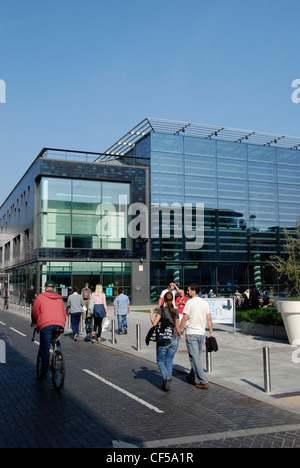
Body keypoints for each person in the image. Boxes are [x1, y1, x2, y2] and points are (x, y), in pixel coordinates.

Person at [180, 282, 214, 390]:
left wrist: (180, 329)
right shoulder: (204, 303)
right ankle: (191, 375)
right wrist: (211, 332)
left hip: (191, 333)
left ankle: (203, 380)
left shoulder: (189, 303)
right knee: (196, 357)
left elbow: (185, 317)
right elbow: (208, 318)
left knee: (194, 357)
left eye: (188, 290)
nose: (187, 291)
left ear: (194, 291)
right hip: (201, 333)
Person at [32, 280, 66, 380]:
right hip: (59, 324)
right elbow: (64, 313)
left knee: (45, 348)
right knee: (55, 339)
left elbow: (35, 312)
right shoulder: (59, 298)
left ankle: (44, 372)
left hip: (46, 325)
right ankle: (58, 353)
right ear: (54, 288)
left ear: (45, 288)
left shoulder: (41, 297)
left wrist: (34, 322)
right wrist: (62, 325)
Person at [150, 291, 181, 392]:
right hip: (174, 338)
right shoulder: (175, 311)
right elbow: (177, 326)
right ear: (172, 299)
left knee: (160, 360)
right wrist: (180, 334)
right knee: (169, 361)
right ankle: (168, 379)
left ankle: (166, 377)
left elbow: (154, 323)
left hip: (164, 339)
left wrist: (151, 314)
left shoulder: (161, 310)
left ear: (164, 300)